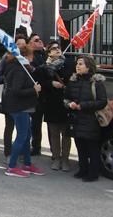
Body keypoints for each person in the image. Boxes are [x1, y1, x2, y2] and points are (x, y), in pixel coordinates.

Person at [2, 46, 45, 178]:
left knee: (26, 136)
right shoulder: (19, 70)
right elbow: (16, 90)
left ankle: (27, 164)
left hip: (21, 106)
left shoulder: (19, 68)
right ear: (25, 56)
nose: (32, 58)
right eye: (31, 56)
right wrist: (34, 90)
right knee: (22, 136)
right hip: (19, 107)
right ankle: (12, 166)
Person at [65, 55, 108, 182]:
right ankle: (82, 169)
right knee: (80, 145)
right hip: (76, 119)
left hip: (91, 119)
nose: (77, 66)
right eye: (77, 64)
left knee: (91, 146)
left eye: (81, 64)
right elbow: (66, 98)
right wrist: (69, 104)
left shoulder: (97, 83)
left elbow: (102, 101)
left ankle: (93, 172)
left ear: (88, 67)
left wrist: (83, 106)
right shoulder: (73, 81)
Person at [40, 41, 72, 171]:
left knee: (66, 133)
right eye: (53, 49)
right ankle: (56, 158)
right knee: (54, 133)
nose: (57, 50)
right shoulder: (45, 67)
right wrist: (51, 83)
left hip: (65, 102)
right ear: (49, 53)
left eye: (58, 48)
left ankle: (65, 159)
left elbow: (74, 78)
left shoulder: (68, 63)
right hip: (51, 103)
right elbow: (41, 83)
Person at [0, 34, 28, 161]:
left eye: (23, 44)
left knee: (22, 128)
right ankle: (8, 152)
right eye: (18, 44)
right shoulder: (7, 58)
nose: (21, 46)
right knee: (9, 126)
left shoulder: (26, 60)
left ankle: (21, 151)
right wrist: (8, 80)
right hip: (9, 98)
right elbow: (0, 76)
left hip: (23, 101)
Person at [28, 33, 47, 156]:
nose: (40, 41)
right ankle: (35, 146)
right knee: (34, 122)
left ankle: (38, 146)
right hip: (33, 94)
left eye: (40, 39)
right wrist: (44, 67)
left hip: (47, 94)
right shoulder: (29, 57)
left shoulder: (45, 55)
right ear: (30, 44)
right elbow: (32, 72)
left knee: (42, 122)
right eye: (36, 40)